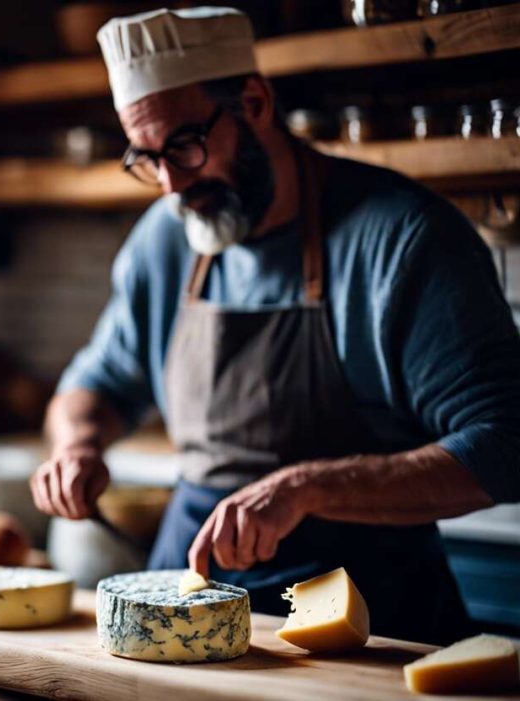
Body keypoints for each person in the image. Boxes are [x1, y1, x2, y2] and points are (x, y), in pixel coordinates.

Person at [30, 6, 520, 645]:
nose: (172, 185)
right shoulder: (165, 239)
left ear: (255, 103)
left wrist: (307, 488)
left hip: (364, 625)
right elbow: (95, 385)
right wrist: (77, 445)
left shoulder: (402, 238)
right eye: (146, 158)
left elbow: (506, 444)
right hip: (185, 611)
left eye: (185, 146)